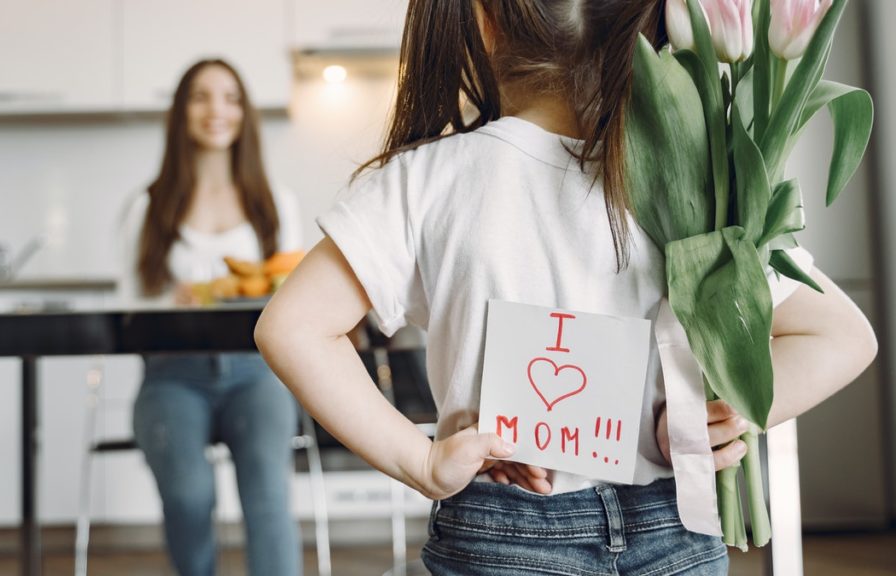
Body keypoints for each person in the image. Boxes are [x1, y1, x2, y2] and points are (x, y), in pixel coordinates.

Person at [253, 1, 878, 574]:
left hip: (502, 524)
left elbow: (292, 328)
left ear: (484, 22)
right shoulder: (698, 183)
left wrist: (420, 464)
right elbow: (841, 335)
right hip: (674, 524)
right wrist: (719, 414)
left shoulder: (423, 180)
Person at [118, 59, 302, 576]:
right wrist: (165, 303)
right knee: (188, 496)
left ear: (244, 112)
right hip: (173, 374)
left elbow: (296, 300)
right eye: (200, 96)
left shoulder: (275, 204)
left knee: (267, 491)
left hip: (259, 374)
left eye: (230, 97)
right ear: (181, 112)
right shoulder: (147, 207)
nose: (215, 110)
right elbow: (126, 307)